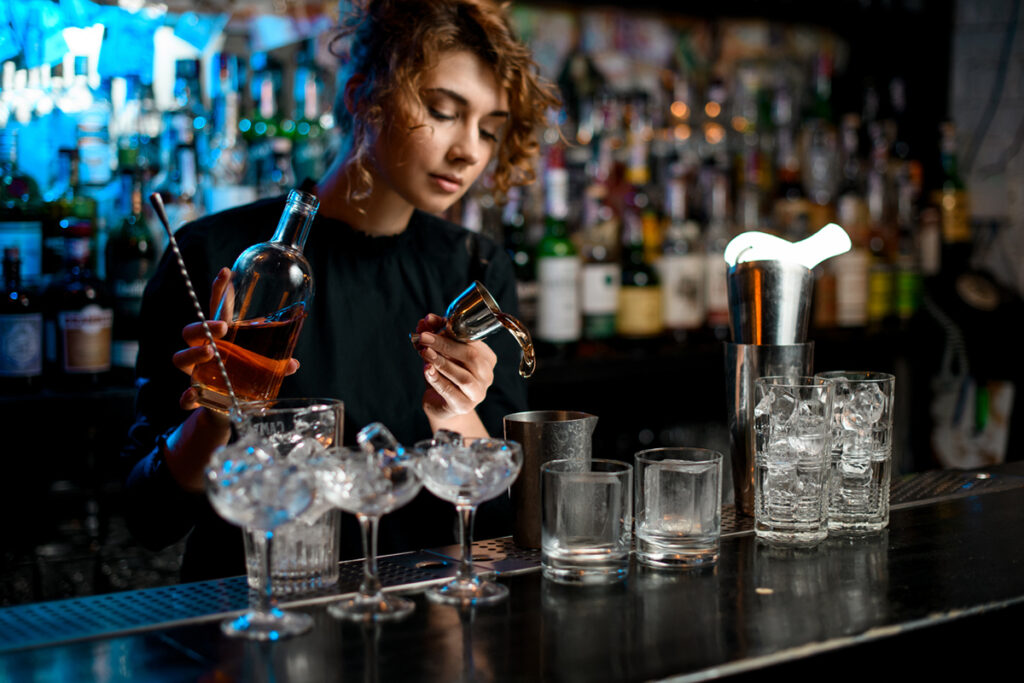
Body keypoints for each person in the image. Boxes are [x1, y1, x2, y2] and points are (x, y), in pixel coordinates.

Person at [120, 0, 561, 582]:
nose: (469, 151)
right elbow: (151, 520)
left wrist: (458, 411)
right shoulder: (212, 254)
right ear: (362, 96)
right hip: (257, 625)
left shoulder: (475, 267)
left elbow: (507, 514)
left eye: (488, 129)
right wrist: (214, 417)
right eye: (443, 111)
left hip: (423, 620)